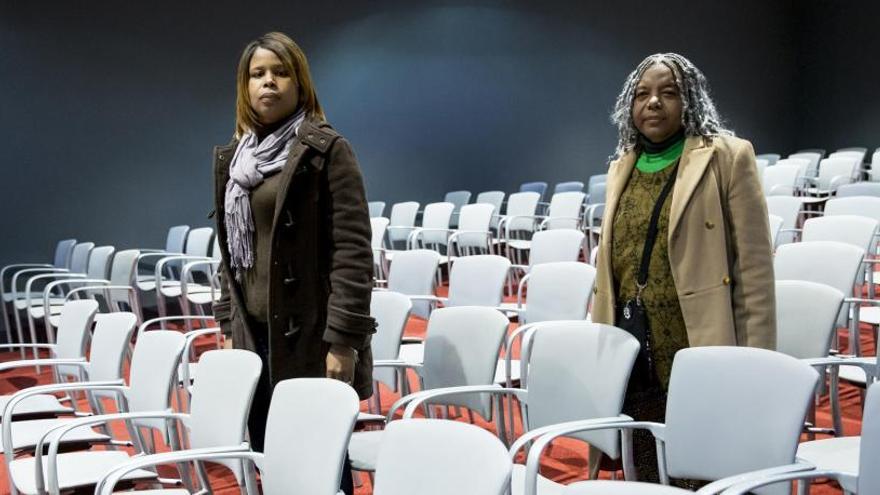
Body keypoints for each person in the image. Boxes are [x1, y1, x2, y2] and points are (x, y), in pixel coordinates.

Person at [591, 53, 775, 483]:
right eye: (642, 94)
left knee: (705, 453)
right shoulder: (622, 165)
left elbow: (754, 270)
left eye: (668, 92)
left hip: (697, 332)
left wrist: (757, 359)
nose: (653, 103)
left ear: (690, 99)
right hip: (633, 335)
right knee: (644, 445)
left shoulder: (728, 156)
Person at [210, 32, 375, 494]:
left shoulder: (326, 150)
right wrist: (227, 323)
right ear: (244, 87)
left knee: (320, 458)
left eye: (280, 72)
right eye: (257, 74)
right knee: (269, 451)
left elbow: (354, 253)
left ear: (300, 83)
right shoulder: (236, 159)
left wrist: (343, 342)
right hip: (252, 333)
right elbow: (232, 254)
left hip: (310, 334)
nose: (269, 82)